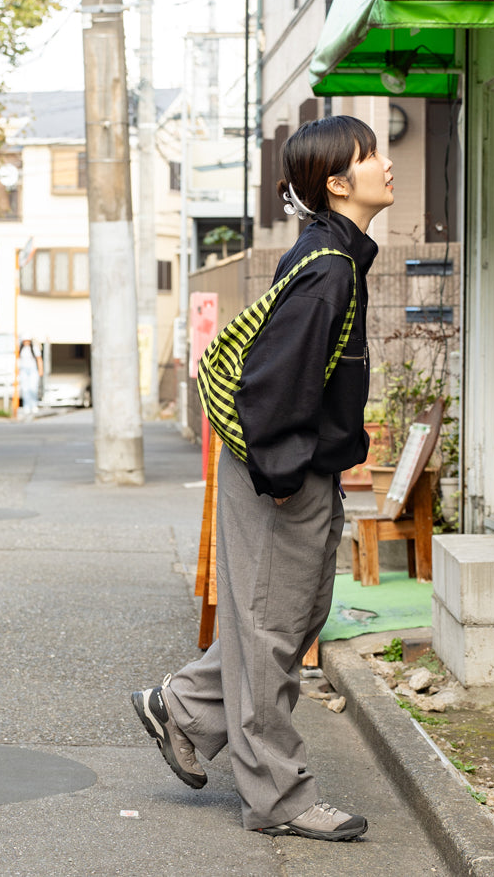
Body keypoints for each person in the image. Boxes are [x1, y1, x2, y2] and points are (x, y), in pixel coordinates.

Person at [132, 115, 393, 842]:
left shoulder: (333, 255)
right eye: (371, 155)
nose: (387, 164)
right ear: (338, 182)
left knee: (286, 624)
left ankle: (181, 707)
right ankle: (279, 797)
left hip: (294, 468)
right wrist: (282, 477)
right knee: (275, 634)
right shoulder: (329, 269)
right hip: (282, 474)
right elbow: (275, 385)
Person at [18, 339, 43, 416]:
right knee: (25, 389)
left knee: (33, 388)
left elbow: (39, 359)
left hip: (33, 370)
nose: (26, 342)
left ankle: (34, 404)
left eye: (28, 341)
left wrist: (40, 370)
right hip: (23, 370)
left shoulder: (34, 348)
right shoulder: (20, 349)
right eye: (25, 341)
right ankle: (27, 406)